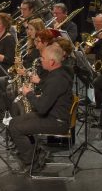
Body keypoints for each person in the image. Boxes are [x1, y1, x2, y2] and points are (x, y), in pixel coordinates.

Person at [7, 43, 74, 172]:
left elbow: (42, 108)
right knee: (13, 122)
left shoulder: (56, 79)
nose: (40, 60)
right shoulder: (58, 73)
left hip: (56, 121)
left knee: (16, 128)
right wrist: (40, 87)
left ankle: (32, 162)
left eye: (43, 58)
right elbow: (52, 93)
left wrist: (29, 94)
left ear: (52, 62)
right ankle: (36, 151)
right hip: (52, 115)